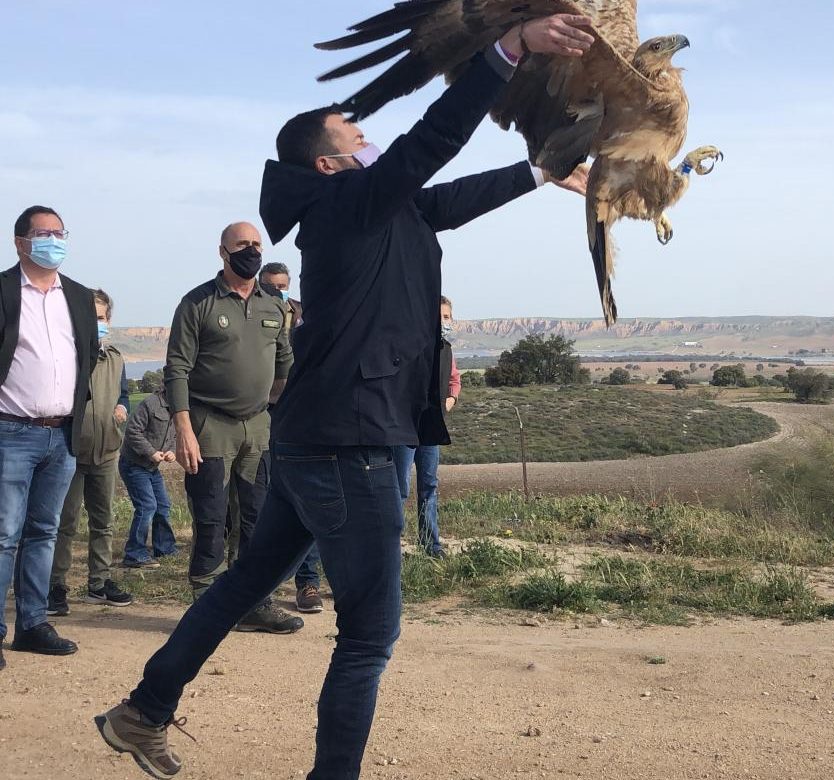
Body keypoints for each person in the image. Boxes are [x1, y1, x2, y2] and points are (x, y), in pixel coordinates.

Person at [96, 15, 593, 777]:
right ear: (328, 167)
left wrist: (538, 174)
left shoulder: (381, 210)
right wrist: (510, 49)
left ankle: (141, 712)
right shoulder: (342, 208)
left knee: (242, 586)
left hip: (316, 440)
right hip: (347, 445)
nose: (366, 141)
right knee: (367, 635)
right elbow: (429, 144)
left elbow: (444, 198)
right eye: (353, 137)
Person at [160, 221, 299, 633]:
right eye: (243, 244)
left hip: (257, 426)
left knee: (257, 518)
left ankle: (256, 601)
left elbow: (286, 367)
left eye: (257, 244)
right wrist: (183, 430)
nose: (252, 251)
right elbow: (177, 370)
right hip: (208, 425)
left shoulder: (274, 305)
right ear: (223, 251)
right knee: (211, 517)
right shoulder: (198, 302)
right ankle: (207, 603)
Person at [0, 206, 98, 670]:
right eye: (44, 233)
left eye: (60, 233)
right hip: (10, 431)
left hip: (62, 435)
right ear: (21, 242)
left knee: (44, 532)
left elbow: (88, 358)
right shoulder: (2, 291)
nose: (54, 240)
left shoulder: (77, 296)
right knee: (4, 534)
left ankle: (33, 624)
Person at [48, 289, 131, 616]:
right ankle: (56, 586)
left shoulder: (116, 359)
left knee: (104, 521)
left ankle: (99, 583)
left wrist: (122, 408)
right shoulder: (68, 356)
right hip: (71, 451)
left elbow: (123, 395)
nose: (97, 323)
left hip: (107, 451)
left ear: (108, 320)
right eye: (91, 317)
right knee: (64, 523)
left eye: (101, 318)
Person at [258, 261, 324, 614]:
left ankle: (308, 582)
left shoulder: (304, 316)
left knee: (307, 500)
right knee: (262, 499)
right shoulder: (250, 315)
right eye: (270, 286)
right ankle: (259, 584)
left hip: (300, 417)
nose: (277, 292)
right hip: (260, 415)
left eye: (283, 286)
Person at [393, 295, 461, 557]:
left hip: (431, 427)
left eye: (446, 317)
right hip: (405, 427)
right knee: (399, 487)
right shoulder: (409, 348)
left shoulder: (446, 349)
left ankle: (431, 545)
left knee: (429, 485)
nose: (442, 322)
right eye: (438, 317)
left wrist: (451, 399)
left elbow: (454, 379)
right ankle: (392, 547)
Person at [119, 386, 179, 568]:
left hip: (152, 468)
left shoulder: (180, 409)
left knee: (162, 505)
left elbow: (176, 436)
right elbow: (132, 432)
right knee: (147, 506)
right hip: (134, 464)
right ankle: (134, 553)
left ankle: (164, 548)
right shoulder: (150, 404)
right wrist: (151, 452)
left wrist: (172, 452)